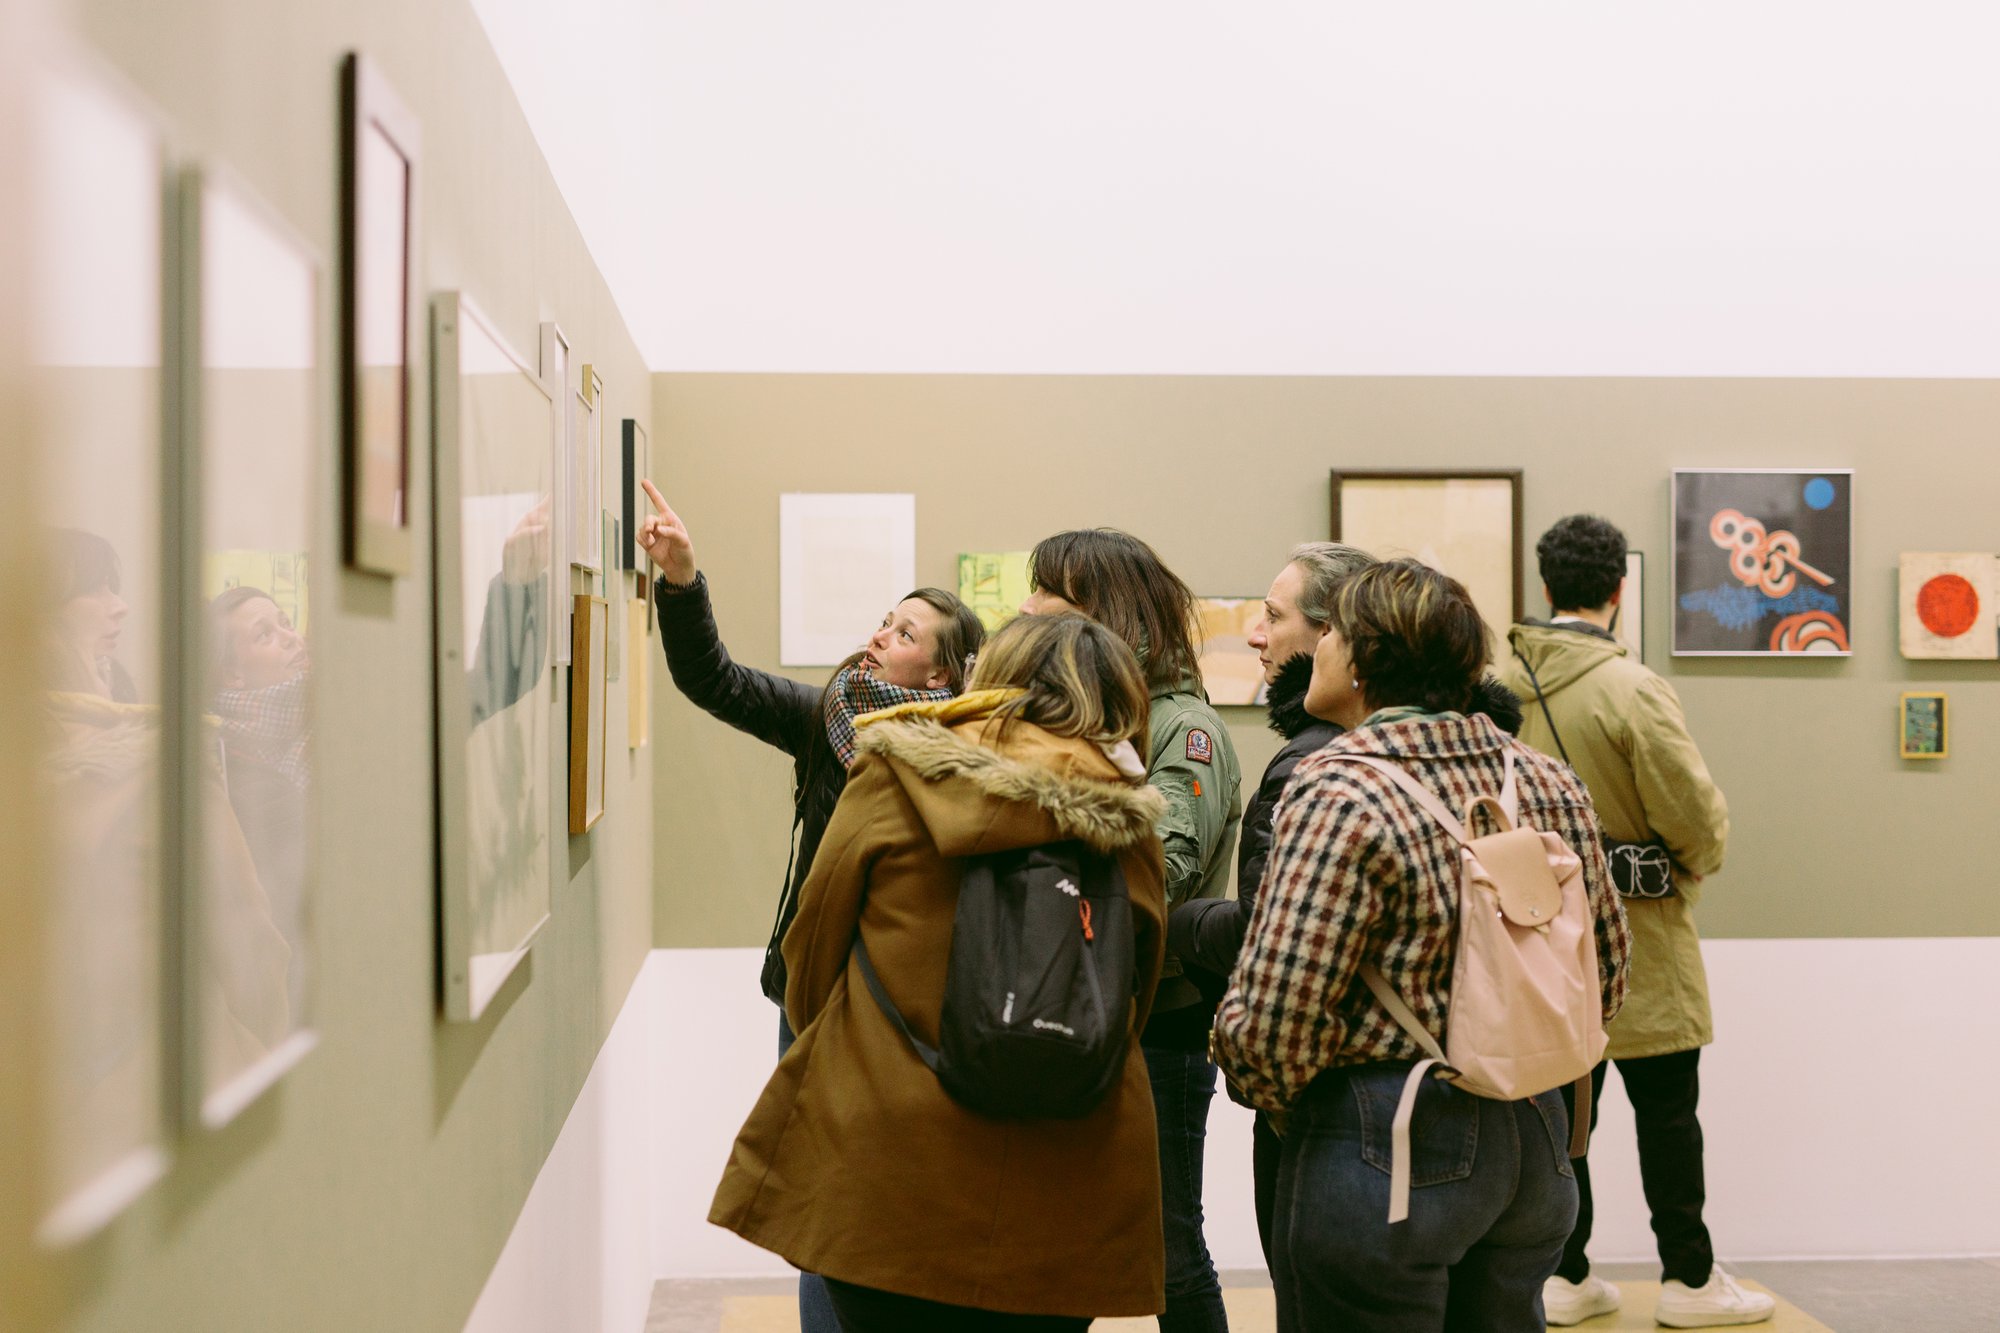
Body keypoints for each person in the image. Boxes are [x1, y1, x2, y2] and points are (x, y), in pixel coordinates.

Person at [708, 612, 1169, 1331]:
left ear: (992, 677)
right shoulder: (1131, 823)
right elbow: (1131, 994)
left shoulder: (896, 772)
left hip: (890, 1173)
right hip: (1068, 1182)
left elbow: (812, 953)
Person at [1214, 558, 1631, 1333]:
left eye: (1332, 630)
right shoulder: (1547, 780)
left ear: (1364, 657)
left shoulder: (1339, 785)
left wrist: (1270, 1095)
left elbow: (1277, 1014)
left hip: (1387, 1140)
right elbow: (1605, 973)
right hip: (1536, 1143)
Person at [638, 480, 983, 1333]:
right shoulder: (828, 718)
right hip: (815, 996)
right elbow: (713, 679)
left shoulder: (975, 753)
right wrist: (683, 581)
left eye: (905, 633)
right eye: (884, 619)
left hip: (908, 1014)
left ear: (940, 672)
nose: (879, 635)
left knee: (886, 1208)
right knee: (817, 1207)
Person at [1497, 515, 1768, 1329]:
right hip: (1640, 932)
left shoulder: (1497, 683)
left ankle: (1562, 1270)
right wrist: (1683, 866)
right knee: (1669, 1116)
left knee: (1560, 1117)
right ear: (1618, 589)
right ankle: (1688, 1277)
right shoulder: (1631, 687)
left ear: (1546, 587)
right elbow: (1696, 818)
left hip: (1537, 935)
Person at [1021, 529, 1240, 1333]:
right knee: (1072, 1242)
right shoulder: (1107, 718)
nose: (1029, 607)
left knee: (1170, 1247)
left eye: (1052, 592)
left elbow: (1165, 867)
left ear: (1104, 612)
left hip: (1161, 1029)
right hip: (1096, 1014)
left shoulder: (1183, 729)